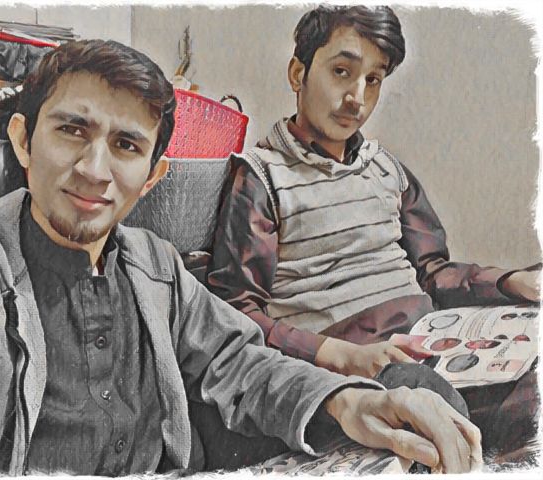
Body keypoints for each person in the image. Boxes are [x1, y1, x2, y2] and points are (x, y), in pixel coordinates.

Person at [0, 39, 481, 476]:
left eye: (126, 145)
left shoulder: (155, 265)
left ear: (152, 177)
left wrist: (345, 401)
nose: (94, 170)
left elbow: (240, 361)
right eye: (72, 131)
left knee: (414, 394)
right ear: (23, 140)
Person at [206, 4, 540, 380]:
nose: (357, 98)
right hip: (355, 363)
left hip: (432, 337)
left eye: (373, 80)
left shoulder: (385, 168)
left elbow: (432, 271)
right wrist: (335, 354)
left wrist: (510, 281)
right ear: (298, 73)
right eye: (341, 72)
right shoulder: (262, 176)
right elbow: (236, 311)